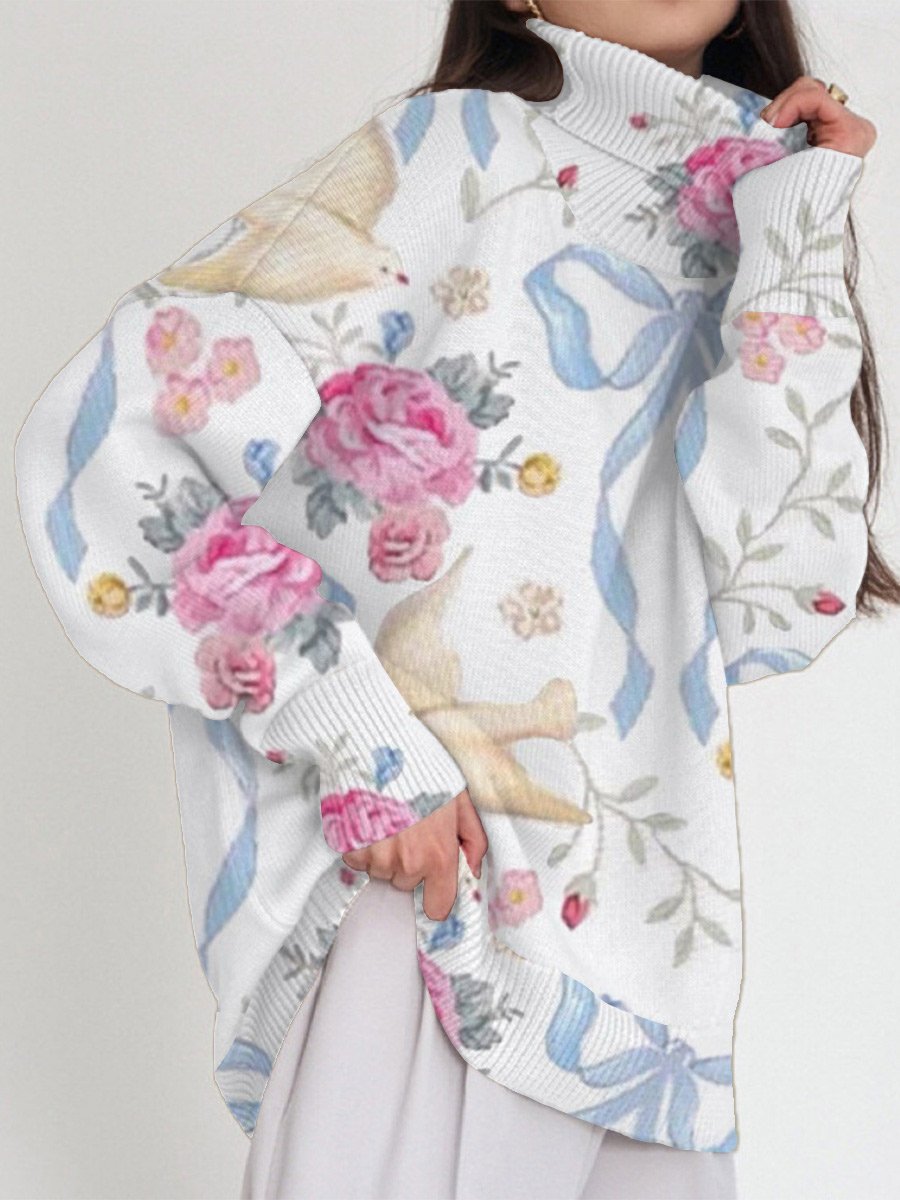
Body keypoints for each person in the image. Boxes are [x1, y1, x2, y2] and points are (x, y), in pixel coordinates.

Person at [13, 1, 891, 1197]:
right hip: (439, 908)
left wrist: (795, 230)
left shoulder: (765, 220)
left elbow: (783, 598)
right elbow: (115, 433)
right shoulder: (455, 157)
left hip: (641, 996)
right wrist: (363, 749)